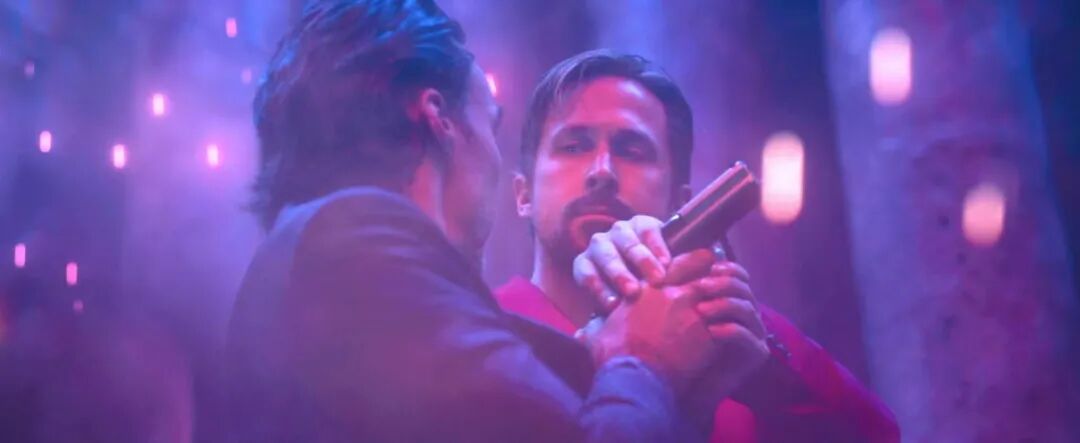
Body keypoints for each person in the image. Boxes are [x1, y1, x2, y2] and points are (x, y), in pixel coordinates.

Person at [225, 1, 752, 441]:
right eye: (491, 126)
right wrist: (642, 361)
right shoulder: (359, 238)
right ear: (439, 118)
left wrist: (683, 398)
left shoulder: (320, 251)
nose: (496, 162)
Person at [498, 49, 901, 442]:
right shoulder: (478, 332)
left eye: (632, 151)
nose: (601, 172)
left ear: (680, 202)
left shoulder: (732, 345)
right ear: (523, 194)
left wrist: (762, 364)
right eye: (573, 147)